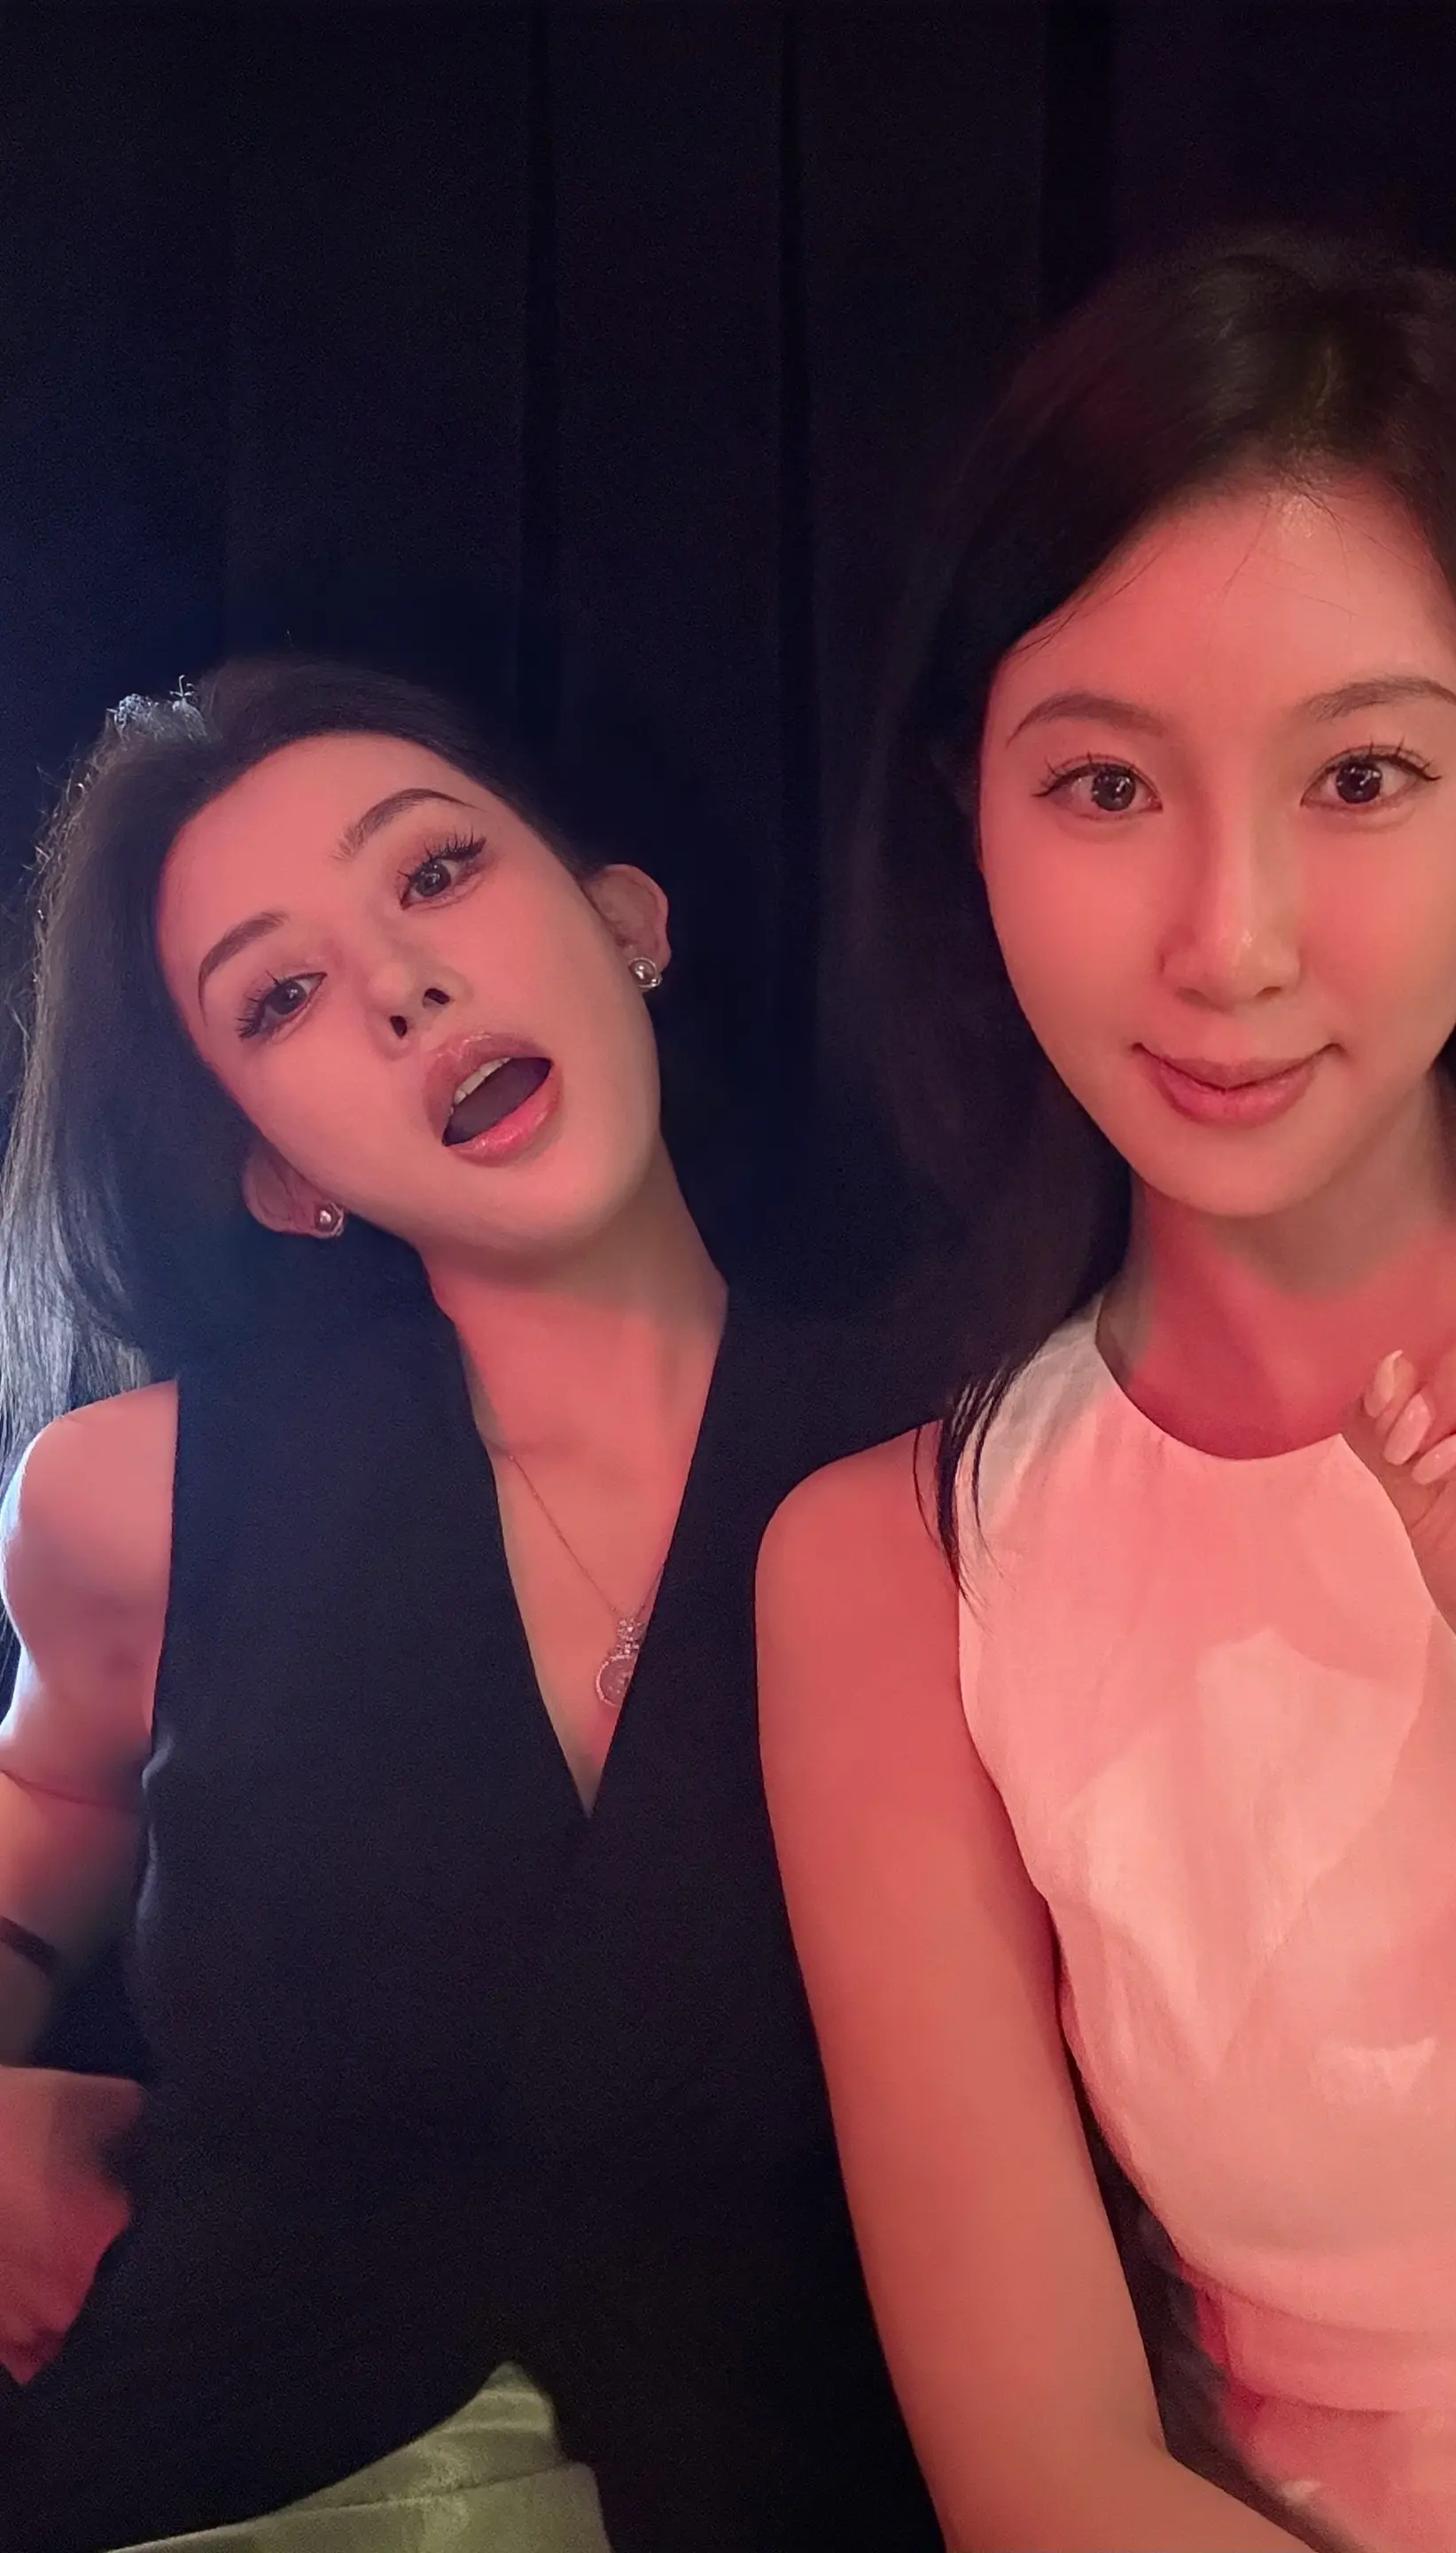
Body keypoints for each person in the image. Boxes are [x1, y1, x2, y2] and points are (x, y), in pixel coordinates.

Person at [755, 231, 1456, 2553]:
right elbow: (1048, 2473)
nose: (1233, 939)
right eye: (1104, 785)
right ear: (971, 811)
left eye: (1363, 774)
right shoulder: (901, 1569)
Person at [0, 659, 942, 2550]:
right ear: (281, 1170)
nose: (402, 988)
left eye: (434, 874)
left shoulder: (986, 1444)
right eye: (278, 996)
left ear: (626, 918)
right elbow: (48, 1800)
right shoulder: (137, 1498)